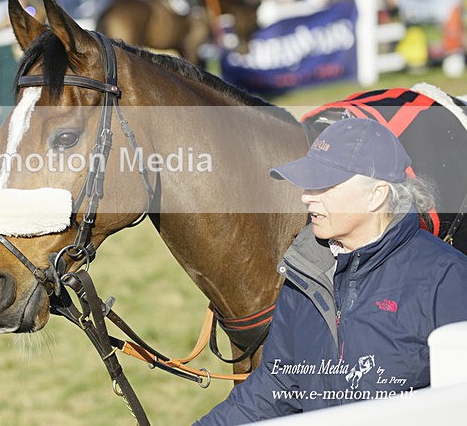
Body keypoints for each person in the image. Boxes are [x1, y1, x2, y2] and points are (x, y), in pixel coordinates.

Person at [197, 118, 467, 425]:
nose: (306, 197)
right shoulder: (305, 274)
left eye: (323, 184)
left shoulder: (446, 279)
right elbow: (276, 386)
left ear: (376, 195)